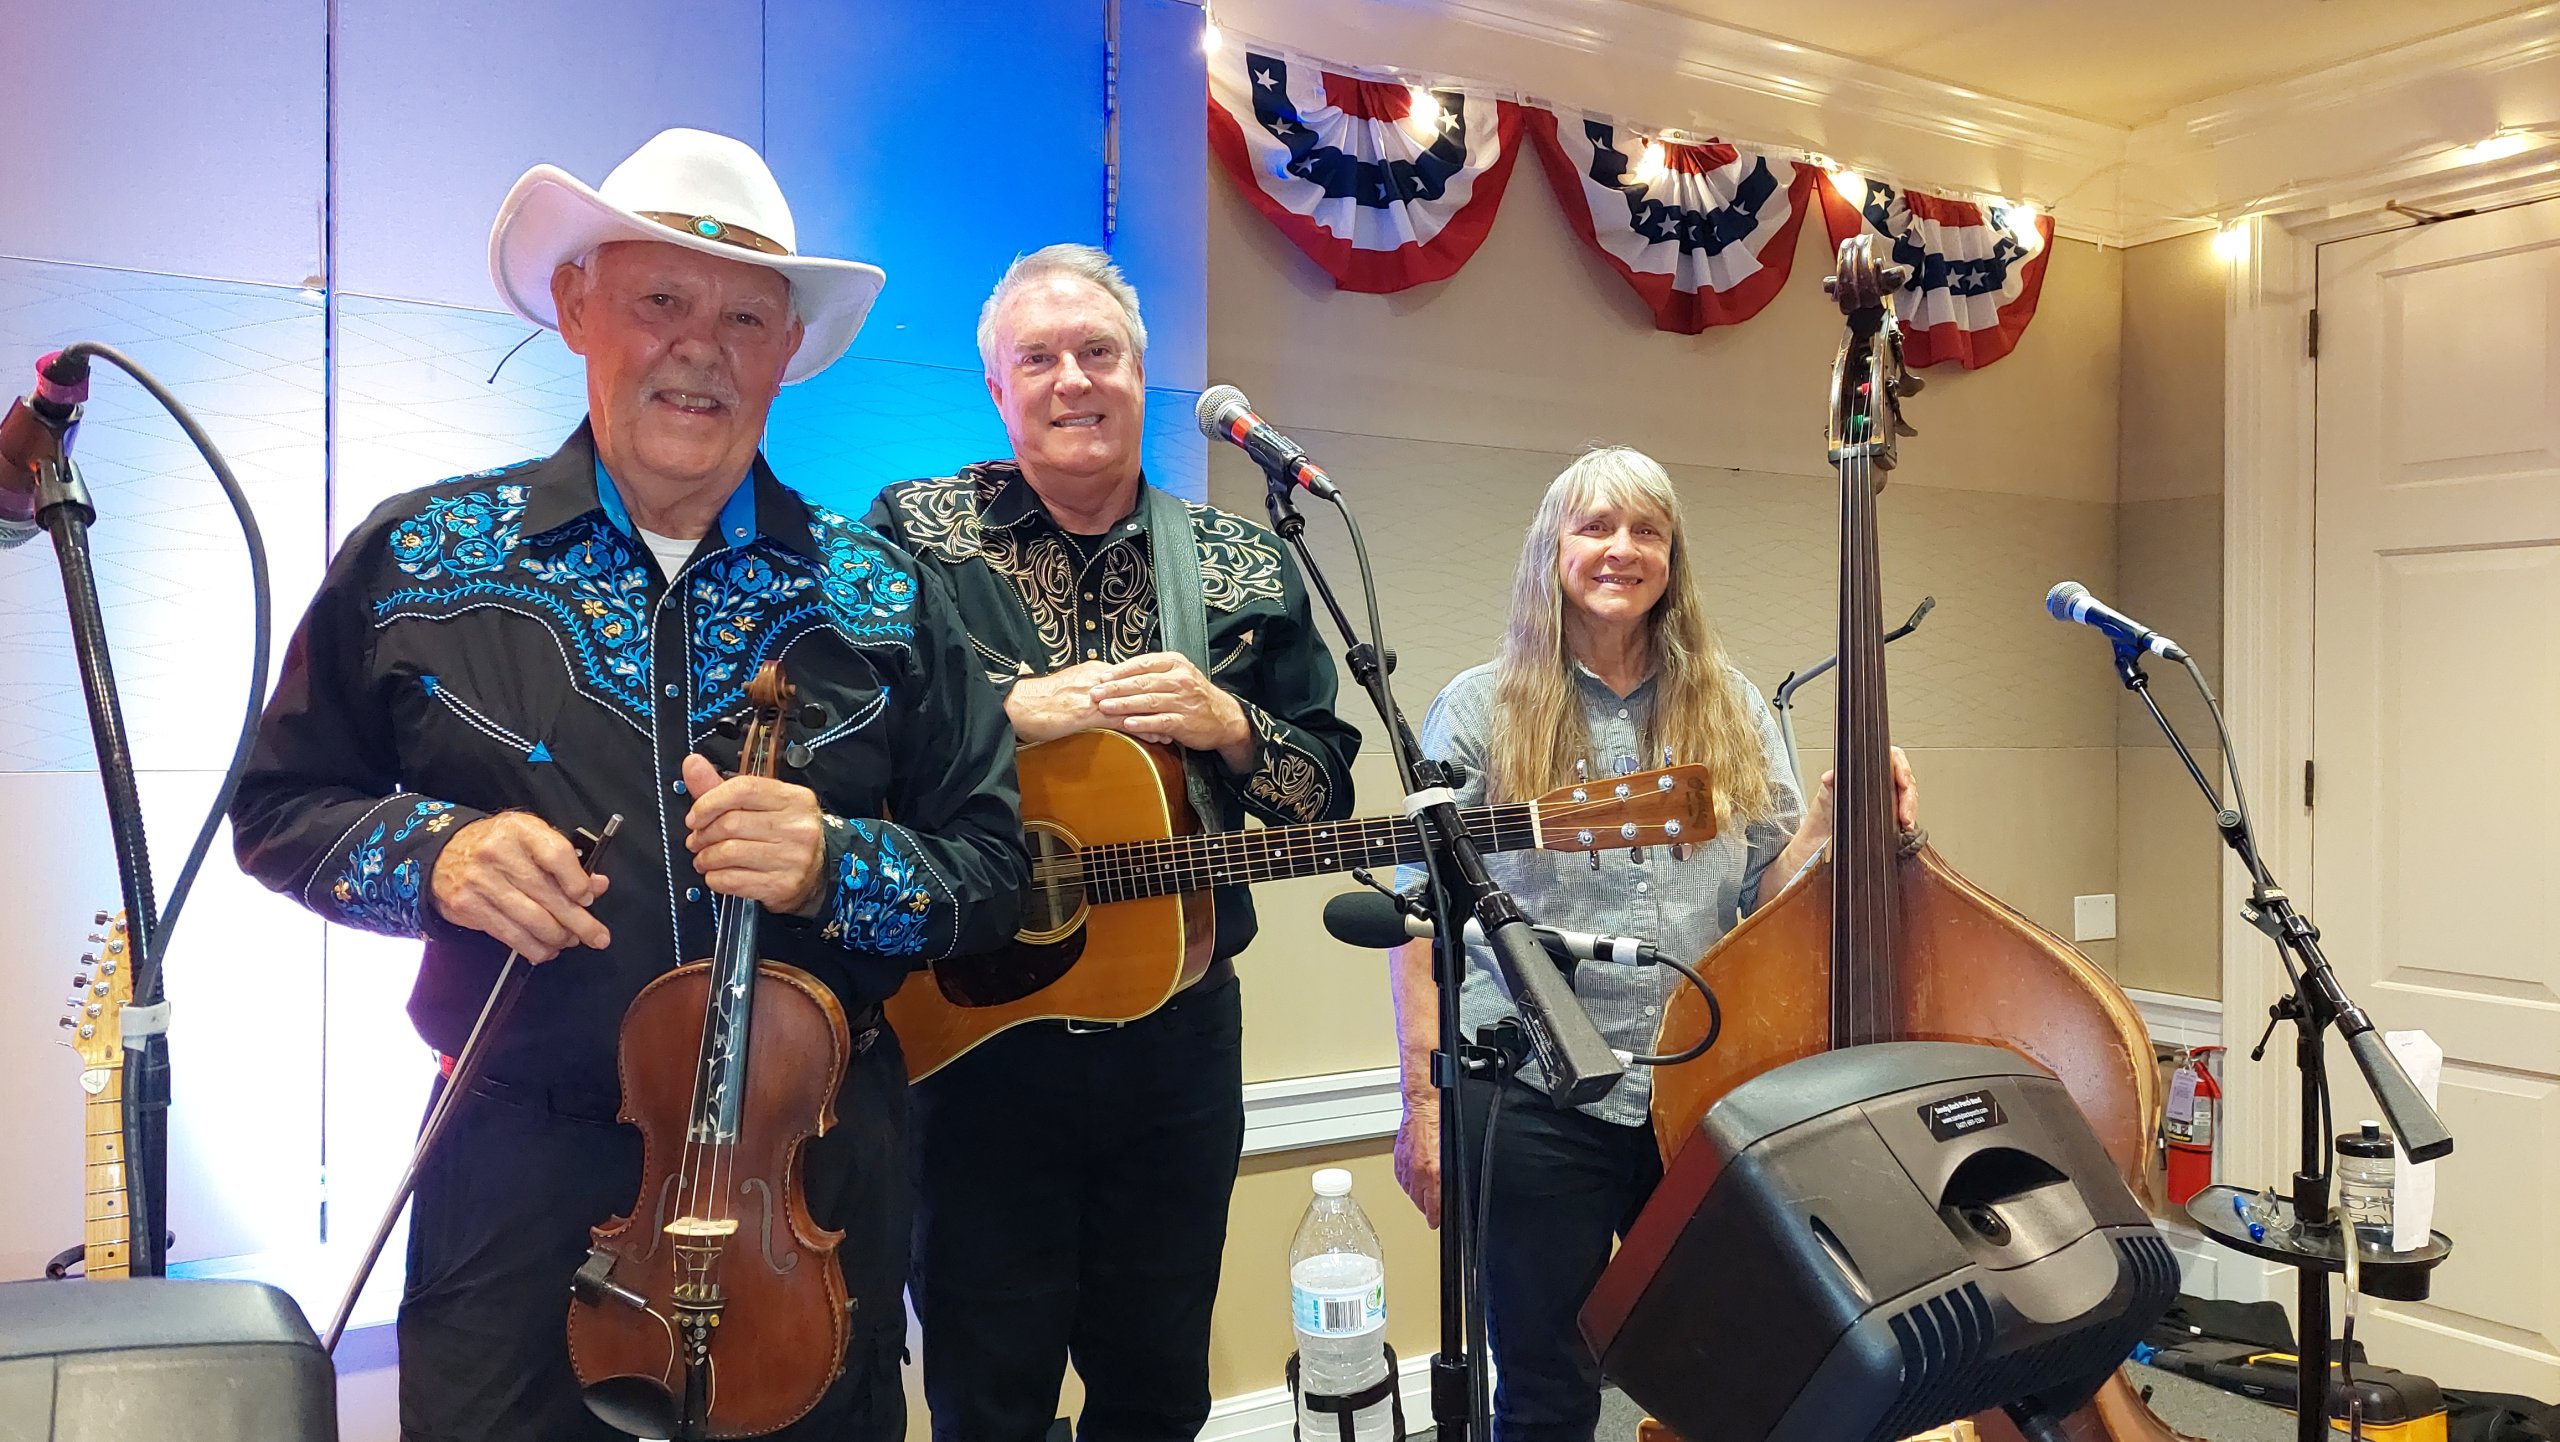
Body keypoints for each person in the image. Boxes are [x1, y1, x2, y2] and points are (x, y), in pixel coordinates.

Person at [229, 128, 1026, 1442]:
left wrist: (843, 861)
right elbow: (276, 811)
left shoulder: (888, 595)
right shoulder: (416, 555)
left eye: (744, 316)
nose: (698, 345)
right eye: (659, 299)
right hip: (521, 1181)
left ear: (786, 352)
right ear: (576, 303)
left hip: (807, 1200)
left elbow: (996, 879)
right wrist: (437, 855)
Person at [863, 243, 1361, 1442]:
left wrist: (1231, 724)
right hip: (974, 1042)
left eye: (1099, 352)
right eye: (1037, 357)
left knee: (1156, 1388)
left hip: (1177, 1047)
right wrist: (1002, 715)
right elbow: (846, 748)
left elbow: (1323, 798)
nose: (1071, 379)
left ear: (1143, 374)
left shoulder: (1245, 562)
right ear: (997, 389)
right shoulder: (909, 536)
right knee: (991, 1390)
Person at [1388, 445, 1916, 1442]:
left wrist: (1833, 826)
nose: (1619, 549)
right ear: (1552, 549)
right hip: (1535, 1099)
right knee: (1546, 1386)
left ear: (1673, 555)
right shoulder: (1476, 708)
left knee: (1729, 1362)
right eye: (1594, 526)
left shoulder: (1734, 707)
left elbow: (1767, 897)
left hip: (1697, 1090)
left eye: (1646, 529)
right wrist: (1420, 1102)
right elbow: (1420, 923)